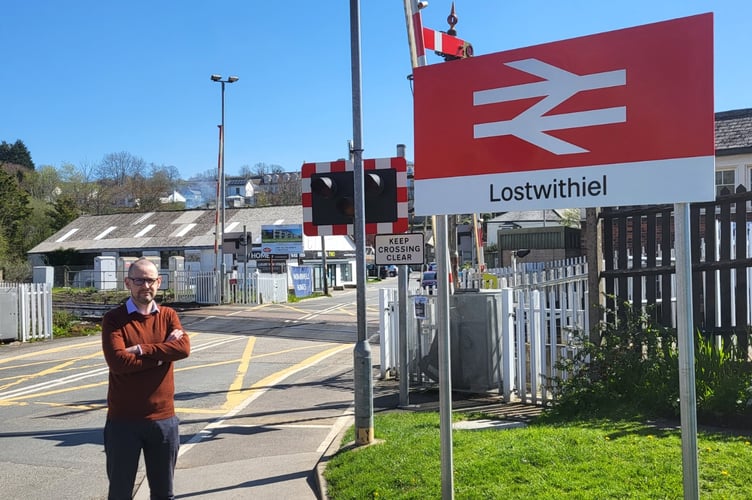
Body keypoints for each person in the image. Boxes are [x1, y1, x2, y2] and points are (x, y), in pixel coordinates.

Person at [101, 258, 191, 500]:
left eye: (150, 280)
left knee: (164, 494)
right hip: (123, 423)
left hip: (164, 422)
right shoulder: (114, 319)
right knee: (120, 493)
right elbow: (118, 363)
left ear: (158, 283)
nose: (145, 285)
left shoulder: (169, 315)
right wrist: (164, 353)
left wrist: (142, 350)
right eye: (139, 280)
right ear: (128, 282)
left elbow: (183, 349)